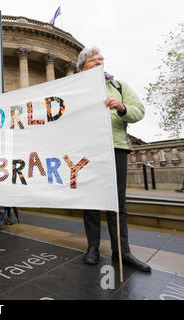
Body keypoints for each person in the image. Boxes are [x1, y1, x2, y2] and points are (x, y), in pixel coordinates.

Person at [77, 47, 151, 272]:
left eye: (101, 59)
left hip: (115, 147)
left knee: (117, 202)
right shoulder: (74, 90)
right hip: (86, 151)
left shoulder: (119, 86)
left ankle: (122, 251)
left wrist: (122, 107)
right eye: (93, 60)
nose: (99, 62)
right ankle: (93, 249)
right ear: (82, 67)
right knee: (90, 201)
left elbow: (139, 111)